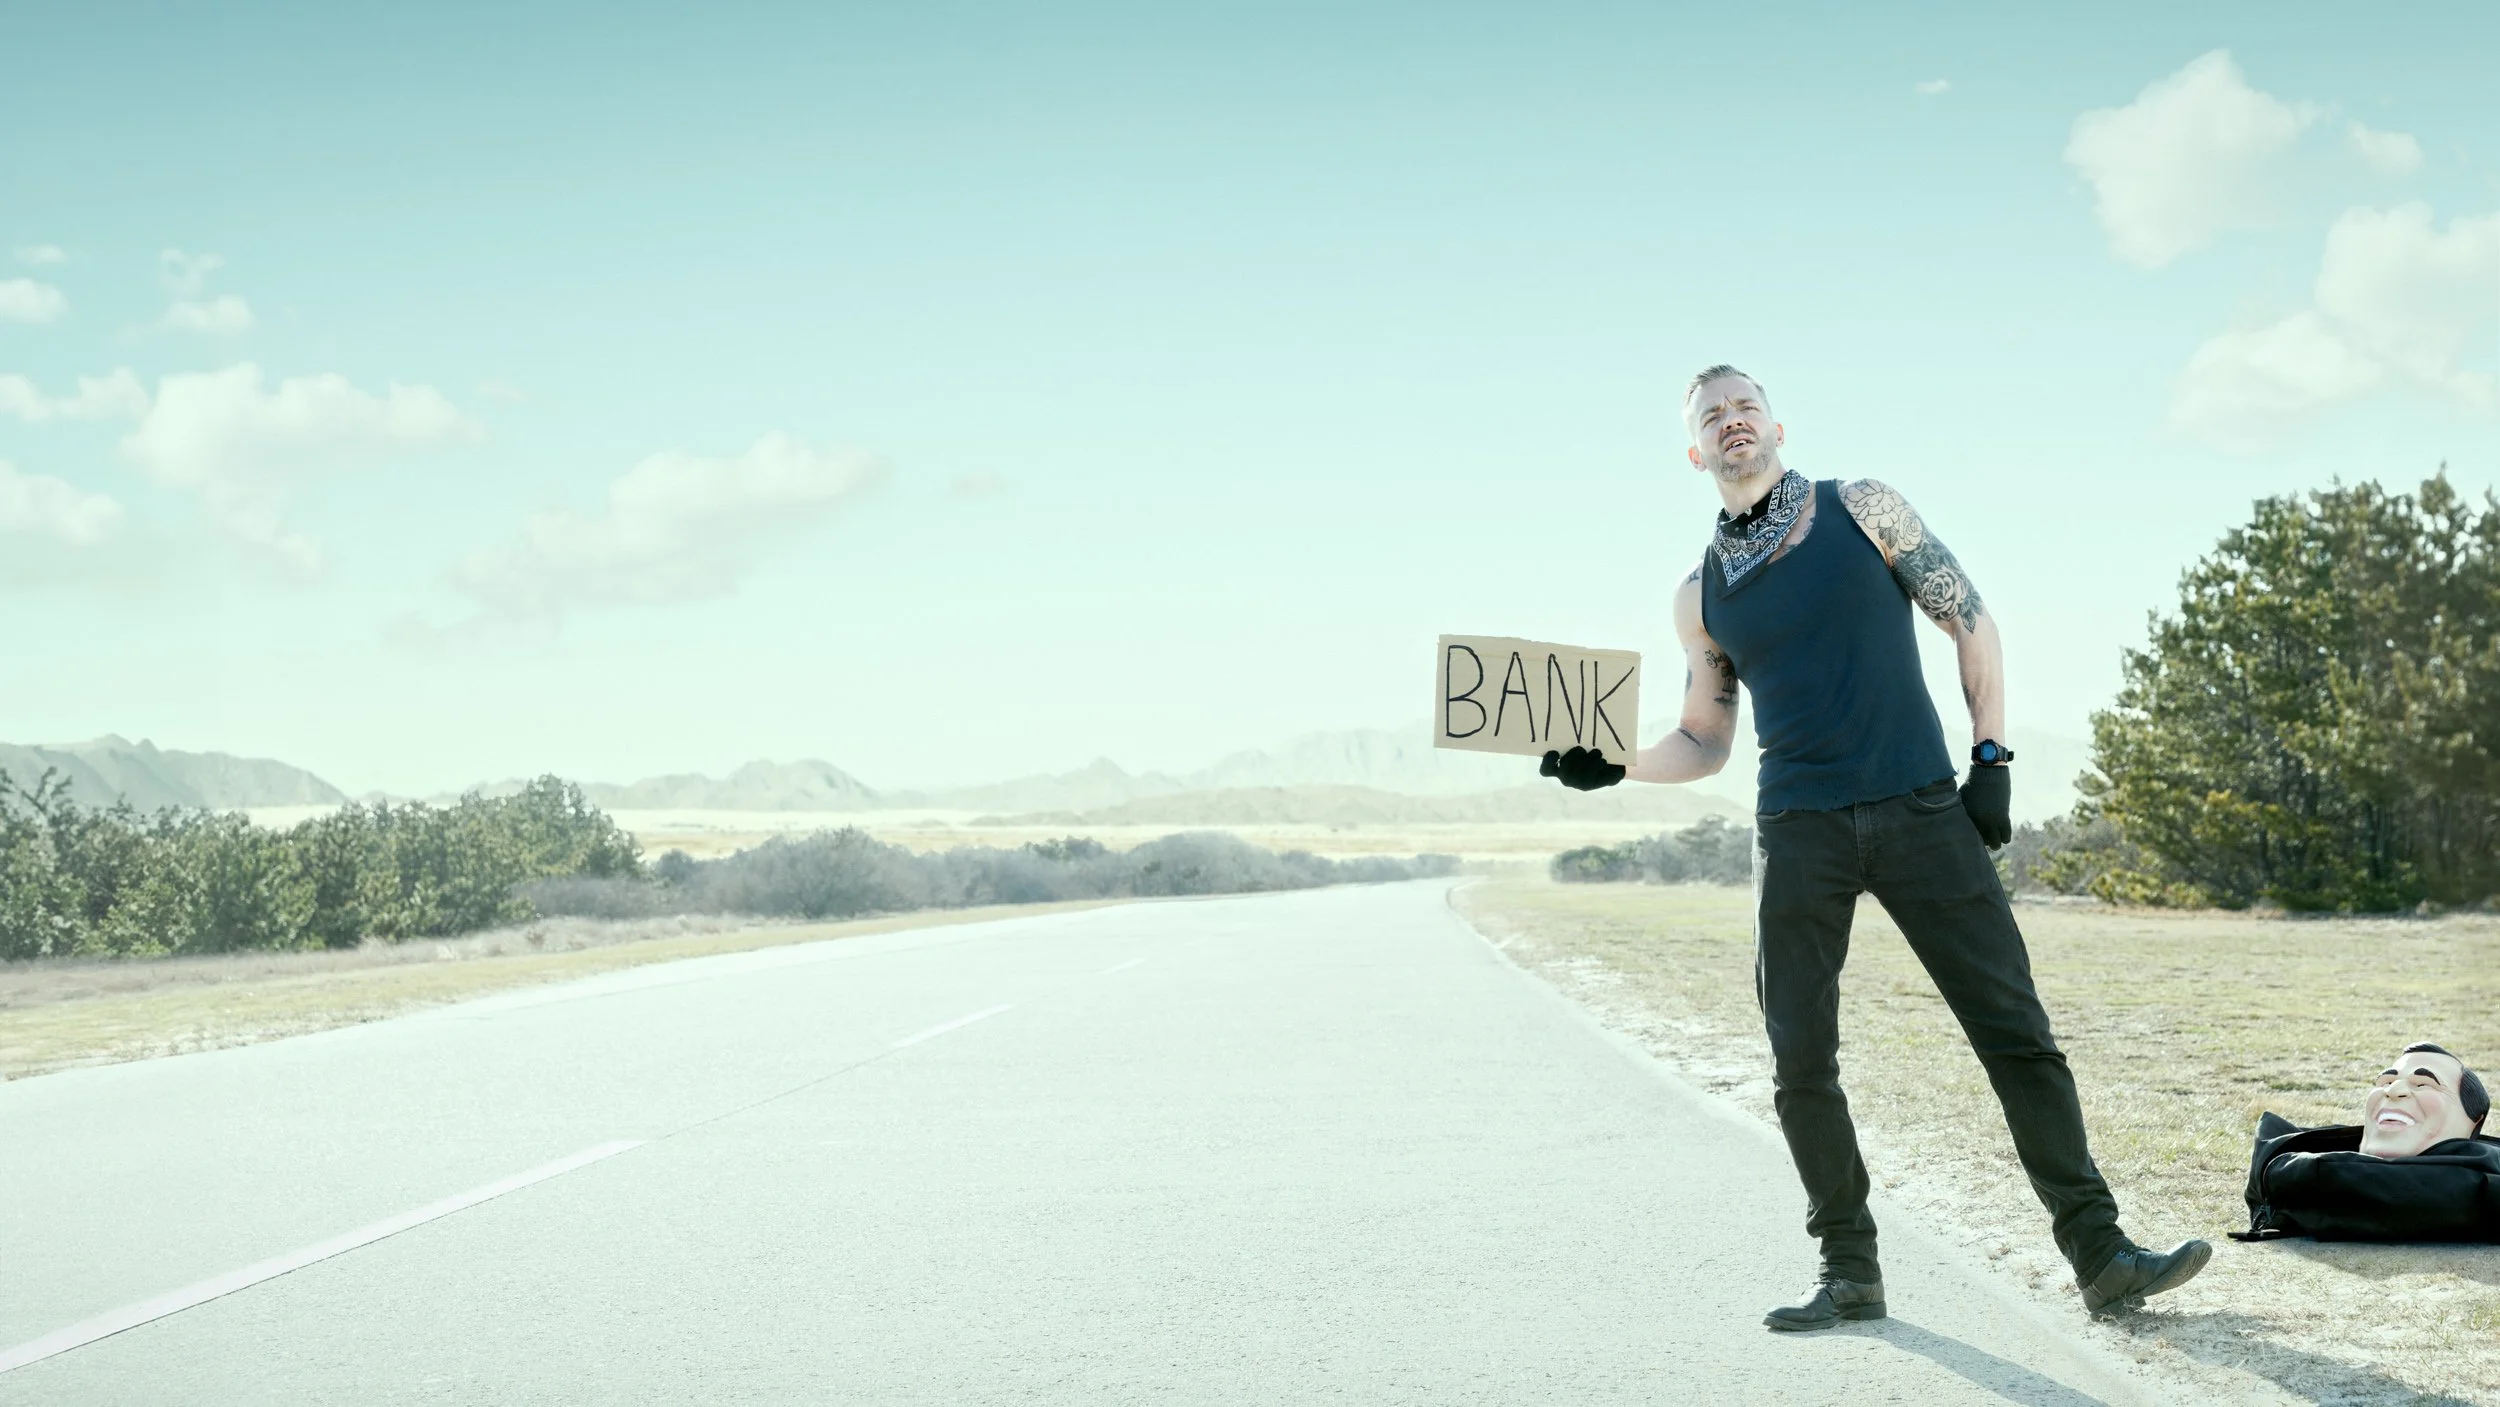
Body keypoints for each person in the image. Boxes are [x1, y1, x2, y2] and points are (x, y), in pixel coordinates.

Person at [1539, 364, 2209, 1327]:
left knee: (2015, 1031)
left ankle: (2100, 1254)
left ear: (1776, 424)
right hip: (1796, 829)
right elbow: (1706, 737)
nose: (1732, 423)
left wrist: (1991, 759)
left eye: (1744, 407)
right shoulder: (1700, 595)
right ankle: (1850, 1270)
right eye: (1711, 416)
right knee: (1799, 1059)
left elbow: (1969, 619)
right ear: (1694, 452)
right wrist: (1616, 765)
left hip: (1918, 809)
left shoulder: (1863, 506)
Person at [2235, 1043, 2500, 1243]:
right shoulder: (2289, 1158)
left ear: (2473, 1121)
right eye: (2386, 1081)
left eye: (2423, 1084)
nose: (2393, 1090)